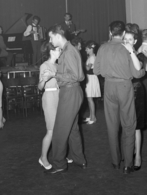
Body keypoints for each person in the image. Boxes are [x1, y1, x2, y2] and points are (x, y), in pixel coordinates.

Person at [94, 21, 145, 174]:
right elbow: (137, 73)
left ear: (110, 31)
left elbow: (96, 71)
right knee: (129, 125)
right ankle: (128, 164)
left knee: (112, 125)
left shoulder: (103, 47)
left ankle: (115, 161)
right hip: (125, 87)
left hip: (109, 87)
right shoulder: (126, 48)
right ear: (123, 33)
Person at [44, 24, 86, 174]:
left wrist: (54, 75)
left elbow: (77, 76)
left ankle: (59, 163)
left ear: (57, 35)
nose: (50, 40)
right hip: (72, 92)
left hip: (70, 92)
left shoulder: (68, 52)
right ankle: (78, 159)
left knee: (60, 130)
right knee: (73, 129)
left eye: (50, 36)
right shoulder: (68, 50)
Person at [122, 30, 146, 171]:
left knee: (136, 125)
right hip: (123, 91)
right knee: (125, 124)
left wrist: (131, 51)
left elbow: (138, 68)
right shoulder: (121, 55)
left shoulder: (140, 54)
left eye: (130, 39)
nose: (127, 41)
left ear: (135, 41)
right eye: (125, 39)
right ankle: (129, 151)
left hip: (136, 90)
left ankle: (138, 156)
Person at [38, 42, 61, 170]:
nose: (60, 52)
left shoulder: (58, 65)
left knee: (59, 129)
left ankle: (60, 155)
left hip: (59, 96)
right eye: (58, 50)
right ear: (51, 51)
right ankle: (43, 157)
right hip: (49, 97)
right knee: (51, 130)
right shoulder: (44, 66)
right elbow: (40, 87)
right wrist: (44, 80)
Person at [84, 40, 101, 125]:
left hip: (91, 78)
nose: (85, 50)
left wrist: (81, 63)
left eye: (86, 48)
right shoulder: (91, 57)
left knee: (90, 99)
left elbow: (87, 68)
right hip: (90, 78)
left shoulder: (91, 58)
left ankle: (93, 118)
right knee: (89, 98)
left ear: (91, 49)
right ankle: (91, 116)